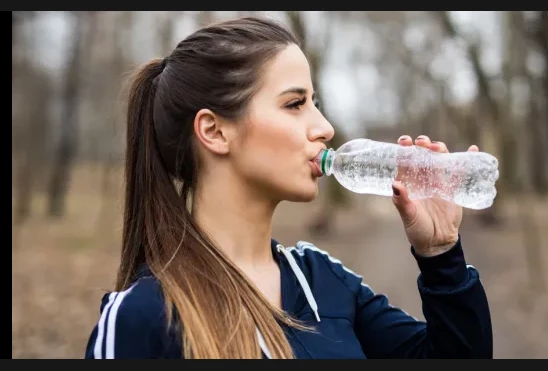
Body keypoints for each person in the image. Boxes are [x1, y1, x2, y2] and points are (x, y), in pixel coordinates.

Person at [84, 16, 493, 359]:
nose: (325, 127)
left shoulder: (323, 281)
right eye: (295, 104)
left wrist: (440, 255)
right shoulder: (142, 318)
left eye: (315, 102)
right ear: (214, 131)